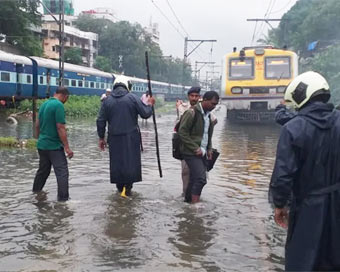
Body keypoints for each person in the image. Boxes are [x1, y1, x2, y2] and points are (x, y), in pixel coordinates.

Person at [270, 71, 340, 271]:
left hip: (308, 206)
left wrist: (279, 204)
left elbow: (283, 174)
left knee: (302, 259)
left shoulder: (293, 128)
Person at [96, 76, 155, 195]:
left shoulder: (107, 101)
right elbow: (145, 114)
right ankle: (127, 191)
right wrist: (150, 105)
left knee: (117, 165)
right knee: (130, 165)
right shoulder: (132, 98)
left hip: (114, 139)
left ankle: (120, 191)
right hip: (131, 138)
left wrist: (101, 138)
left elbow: (100, 120)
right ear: (127, 86)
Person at [33, 86, 73, 201]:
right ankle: (63, 200)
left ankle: (36, 193)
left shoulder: (44, 104)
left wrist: (38, 139)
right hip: (54, 146)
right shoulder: (58, 105)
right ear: (65, 96)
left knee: (43, 171)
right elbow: (60, 127)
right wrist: (67, 147)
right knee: (62, 173)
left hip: (42, 145)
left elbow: (37, 124)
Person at [178, 90, 219, 204]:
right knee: (201, 179)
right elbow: (182, 132)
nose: (214, 107)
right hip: (190, 152)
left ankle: (187, 201)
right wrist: (194, 147)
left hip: (203, 151)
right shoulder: (191, 112)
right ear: (204, 100)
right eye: (212, 103)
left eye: (215, 105)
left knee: (193, 179)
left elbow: (208, 135)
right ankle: (195, 205)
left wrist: (209, 149)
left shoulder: (209, 116)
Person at [175, 87, 201, 196]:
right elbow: (180, 124)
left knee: (198, 174)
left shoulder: (202, 108)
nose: (194, 98)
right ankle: (186, 195)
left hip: (199, 146)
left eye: (196, 96)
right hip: (185, 146)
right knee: (186, 172)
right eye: (192, 96)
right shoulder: (183, 108)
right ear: (188, 97)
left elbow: (213, 120)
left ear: (199, 97)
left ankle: (194, 195)